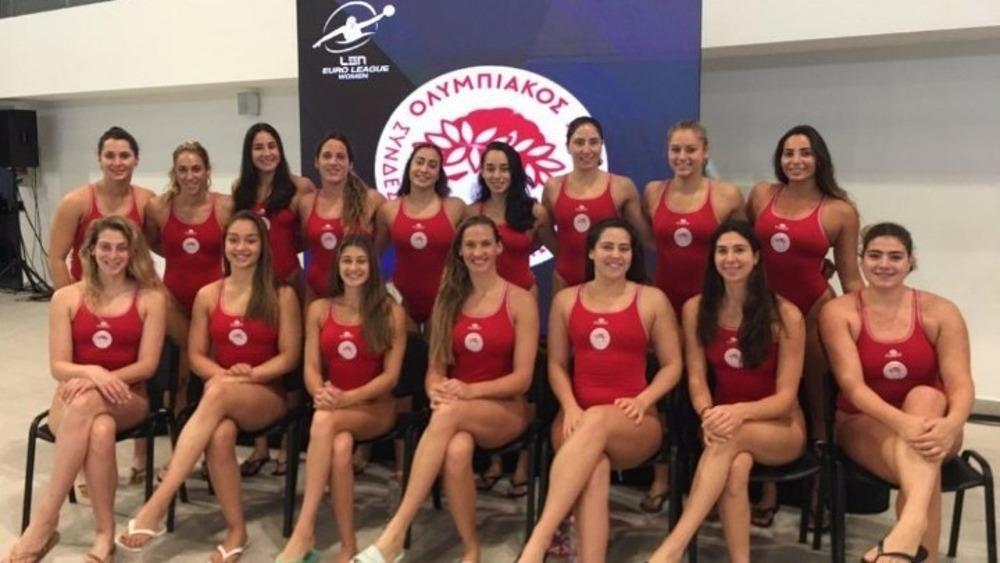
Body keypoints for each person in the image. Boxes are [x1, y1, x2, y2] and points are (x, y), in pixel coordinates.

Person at [117, 211, 302, 563]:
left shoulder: (282, 295)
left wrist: (249, 375)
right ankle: (237, 531)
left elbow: (289, 357)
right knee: (219, 435)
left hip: (266, 394)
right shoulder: (208, 294)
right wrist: (221, 374)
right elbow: (197, 355)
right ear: (224, 245)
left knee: (216, 392)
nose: (241, 248)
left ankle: (157, 504)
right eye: (234, 240)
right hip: (223, 391)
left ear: (263, 247)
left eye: (250, 240)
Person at [357, 216, 539, 563]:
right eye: (470, 245)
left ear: (498, 248)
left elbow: (523, 379)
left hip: (504, 409)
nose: (478, 252)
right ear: (459, 252)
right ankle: (471, 548)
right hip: (456, 409)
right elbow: (435, 371)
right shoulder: (448, 299)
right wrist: (436, 391)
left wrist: (469, 392)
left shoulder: (519, 300)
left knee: (447, 415)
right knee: (456, 452)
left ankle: (395, 532)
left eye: (485, 244)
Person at [518, 218, 682, 563]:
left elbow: (672, 366)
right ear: (591, 252)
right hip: (575, 419)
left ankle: (538, 541)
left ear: (632, 255)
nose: (615, 255)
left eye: (624, 248)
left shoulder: (652, 300)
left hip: (634, 422)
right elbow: (556, 364)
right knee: (594, 469)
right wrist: (569, 406)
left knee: (597, 421)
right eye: (607, 247)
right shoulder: (565, 300)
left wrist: (644, 400)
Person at [5, 217, 165, 563]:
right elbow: (59, 366)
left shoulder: (151, 298)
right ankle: (105, 535)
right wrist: (93, 372)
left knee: (89, 404)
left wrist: (103, 379)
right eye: (105, 247)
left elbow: (148, 365)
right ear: (90, 250)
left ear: (132, 252)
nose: (113, 255)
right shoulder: (66, 297)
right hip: (72, 399)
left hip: (129, 397)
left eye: (121, 248)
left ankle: (45, 520)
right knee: (100, 429)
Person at [647, 220, 807, 563]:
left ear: (756, 257)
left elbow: (785, 399)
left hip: (779, 426)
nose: (730, 258)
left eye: (739, 250)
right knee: (735, 469)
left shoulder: (786, 315)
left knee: (731, 439)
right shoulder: (695, 309)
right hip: (719, 421)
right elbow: (696, 381)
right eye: (722, 251)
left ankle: (672, 549)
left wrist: (737, 413)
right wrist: (707, 414)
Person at [820, 222, 973, 563]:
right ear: (862, 260)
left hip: (933, 426)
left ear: (910, 261)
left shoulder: (941, 311)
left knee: (927, 398)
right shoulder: (839, 312)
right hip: (863, 421)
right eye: (875, 256)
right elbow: (852, 387)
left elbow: (961, 383)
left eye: (894, 257)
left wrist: (952, 425)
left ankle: (906, 534)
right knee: (923, 460)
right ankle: (914, 536)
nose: (884, 264)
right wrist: (903, 423)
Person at [747, 124, 863, 524]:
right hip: (764, 313)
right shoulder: (761, 195)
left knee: (817, 403)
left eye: (805, 153)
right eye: (788, 153)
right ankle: (768, 489)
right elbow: (742, 249)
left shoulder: (839, 210)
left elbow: (850, 278)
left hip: (814, 312)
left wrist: (868, 323)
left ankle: (818, 492)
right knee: (767, 396)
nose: (796, 161)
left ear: (819, 159)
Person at [277, 235, 406, 563]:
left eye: (361, 261)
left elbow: (390, 377)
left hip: (374, 407)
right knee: (340, 448)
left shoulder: (390, 312)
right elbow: (310, 367)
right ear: (337, 266)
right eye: (347, 261)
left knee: (323, 420)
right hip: (335, 406)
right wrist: (319, 391)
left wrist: (346, 398)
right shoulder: (320, 309)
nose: (353, 268)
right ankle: (348, 546)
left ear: (372, 267)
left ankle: (304, 528)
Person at [640, 120, 745, 513]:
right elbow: (652, 241)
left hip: (711, 307)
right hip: (666, 303)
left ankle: (710, 480)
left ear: (706, 152)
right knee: (666, 390)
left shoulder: (726, 195)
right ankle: (662, 476)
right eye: (676, 150)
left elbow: (742, 248)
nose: (682, 157)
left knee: (710, 388)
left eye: (690, 150)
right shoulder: (653, 192)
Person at [463, 140, 554, 498]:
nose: (497, 175)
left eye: (504, 168)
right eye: (490, 168)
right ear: (482, 172)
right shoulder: (471, 212)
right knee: (491, 372)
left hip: (522, 301)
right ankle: (494, 462)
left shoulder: (534, 212)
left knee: (523, 379)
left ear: (514, 171)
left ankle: (523, 463)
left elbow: (557, 250)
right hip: (483, 304)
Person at [233, 123, 314, 476]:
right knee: (258, 358)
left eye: (271, 146)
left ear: (280, 150)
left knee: (289, 366)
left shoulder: (300, 187)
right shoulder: (240, 190)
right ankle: (260, 447)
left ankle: (288, 448)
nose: (266, 153)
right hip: (253, 291)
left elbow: (307, 236)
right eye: (258, 147)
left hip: (288, 286)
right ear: (249, 153)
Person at [144, 140, 232, 413]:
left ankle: (212, 414)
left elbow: (237, 248)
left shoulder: (225, 206)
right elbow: (152, 242)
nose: (190, 176)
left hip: (213, 299)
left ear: (207, 171)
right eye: (182, 170)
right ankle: (179, 418)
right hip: (174, 298)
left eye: (196, 169)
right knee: (187, 357)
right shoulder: (158, 207)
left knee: (202, 356)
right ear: (174, 172)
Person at [541, 116, 652, 293]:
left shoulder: (622, 187)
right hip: (565, 279)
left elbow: (643, 238)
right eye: (579, 142)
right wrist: (565, 256)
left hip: (610, 282)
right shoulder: (553, 187)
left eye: (593, 142)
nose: (586, 150)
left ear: (601, 145)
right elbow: (543, 232)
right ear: (568, 147)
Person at [47, 126, 155, 290]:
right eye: (109, 156)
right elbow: (56, 258)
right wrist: (68, 298)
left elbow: (161, 247)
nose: (117, 162)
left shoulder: (146, 200)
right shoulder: (75, 202)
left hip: (131, 293)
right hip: (87, 292)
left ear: (136, 160)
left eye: (124, 156)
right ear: (100, 160)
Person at [375, 143, 466, 329]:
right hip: (401, 301)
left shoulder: (456, 208)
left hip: (444, 301)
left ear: (439, 174)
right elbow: (373, 255)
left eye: (432, 165)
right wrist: (383, 292)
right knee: (409, 348)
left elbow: (472, 253)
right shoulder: (388, 210)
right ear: (409, 167)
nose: (424, 169)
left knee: (437, 348)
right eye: (420, 162)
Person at [298, 134, 384, 302]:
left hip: (360, 296)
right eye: (327, 156)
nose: (333, 162)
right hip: (316, 294)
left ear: (350, 164)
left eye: (340, 157)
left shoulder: (372, 200)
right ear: (316, 162)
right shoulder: (306, 203)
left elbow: (387, 239)